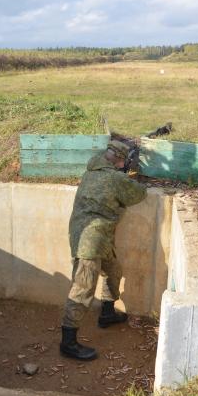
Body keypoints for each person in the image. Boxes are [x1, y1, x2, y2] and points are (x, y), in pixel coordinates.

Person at [60, 140, 147, 360]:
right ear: (120, 160)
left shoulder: (92, 171)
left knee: (113, 271)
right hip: (91, 240)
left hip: (93, 235)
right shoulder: (115, 178)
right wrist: (131, 175)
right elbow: (139, 194)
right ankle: (68, 342)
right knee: (83, 288)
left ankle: (107, 313)